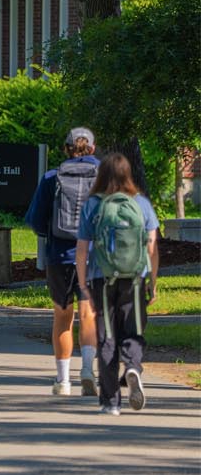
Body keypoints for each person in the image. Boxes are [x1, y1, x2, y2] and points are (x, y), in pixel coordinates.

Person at [74, 152, 160, 415]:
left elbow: (81, 249)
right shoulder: (141, 204)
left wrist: (83, 283)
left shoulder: (93, 205)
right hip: (135, 277)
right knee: (133, 328)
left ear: (101, 175)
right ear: (128, 174)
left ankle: (110, 402)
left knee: (107, 335)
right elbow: (152, 246)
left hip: (103, 277)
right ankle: (132, 366)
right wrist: (152, 282)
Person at [24, 126, 102, 397]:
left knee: (62, 316)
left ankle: (63, 381)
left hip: (60, 256)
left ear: (66, 149)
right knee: (89, 313)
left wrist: (50, 235)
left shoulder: (51, 177)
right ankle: (88, 371)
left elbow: (35, 220)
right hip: (94, 255)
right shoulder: (105, 175)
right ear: (92, 148)